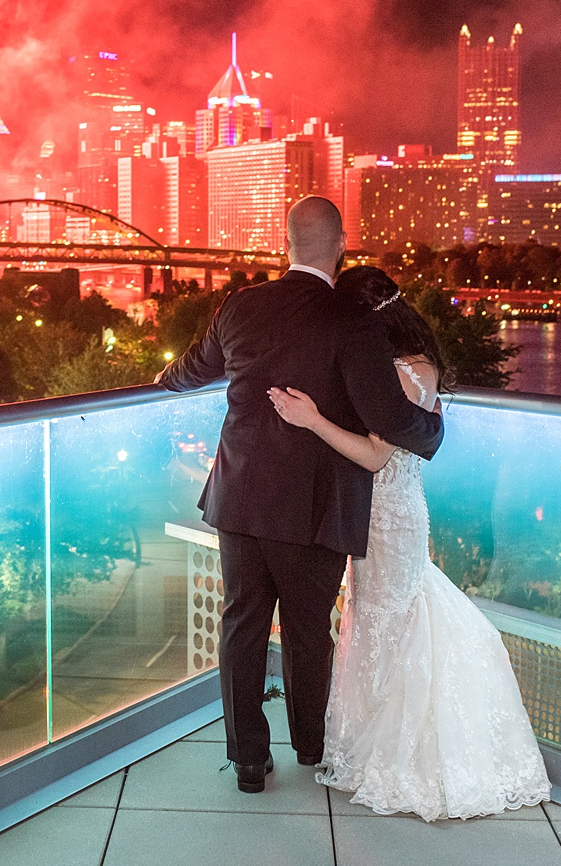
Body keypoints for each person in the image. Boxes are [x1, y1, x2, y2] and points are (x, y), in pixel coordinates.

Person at [157, 197, 443, 793]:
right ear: (341, 243)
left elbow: (193, 366)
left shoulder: (241, 305)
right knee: (309, 629)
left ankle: (248, 760)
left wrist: (161, 381)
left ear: (284, 243)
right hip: (311, 506)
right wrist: (435, 426)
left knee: (241, 624)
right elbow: (388, 414)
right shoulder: (350, 321)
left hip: (238, 497)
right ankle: (310, 746)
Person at [268, 265, 551, 820]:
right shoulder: (416, 364)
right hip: (388, 511)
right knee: (378, 619)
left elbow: (376, 456)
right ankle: (376, 739)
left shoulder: (400, 374)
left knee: (388, 620)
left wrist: (312, 419)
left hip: (389, 516)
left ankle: (404, 753)